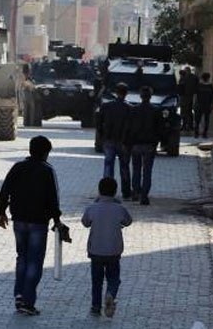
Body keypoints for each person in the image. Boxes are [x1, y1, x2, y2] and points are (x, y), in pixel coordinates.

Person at [0, 135, 62, 316]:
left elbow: (5, 190)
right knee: (34, 260)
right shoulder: (47, 171)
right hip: (39, 223)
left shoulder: (18, 167)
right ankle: (28, 301)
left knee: (22, 257)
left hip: (19, 221)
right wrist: (57, 221)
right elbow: (53, 199)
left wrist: (1, 212)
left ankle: (19, 294)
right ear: (46, 153)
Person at [81, 177, 133, 317]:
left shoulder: (92, 208)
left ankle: (95, 307)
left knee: (96, 280)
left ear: (99, 191)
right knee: (114, 278)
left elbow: (85, 222)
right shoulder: (119, 209)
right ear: (115, 192)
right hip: (113, 251)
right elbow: (128, 221)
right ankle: (110, 294)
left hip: (96, 251)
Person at [97, 82, 133, 198]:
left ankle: (107, 192)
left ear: (116, 92)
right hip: (123, 141)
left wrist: (102, 136)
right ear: (126, 93)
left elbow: (99, 122)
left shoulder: (107, 106)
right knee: (124, 167)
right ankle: (126, 192)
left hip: (109, 139)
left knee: (108, 166)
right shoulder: (129, 108)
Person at [128, 86, 159, 205]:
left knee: (136, 169)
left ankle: (136, 192)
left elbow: (129, 127)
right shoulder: (155, 111)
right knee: (147, 171)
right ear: (150, 97)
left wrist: (129, 142)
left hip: (136, 144)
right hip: (150, 144)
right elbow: (159, 129)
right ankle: (144, 195)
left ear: (140, 96)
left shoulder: (134, 110)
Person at [195, 73, 213, 138]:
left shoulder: (199, 85)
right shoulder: (210, 86)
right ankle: (204, 134)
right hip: (207, 105)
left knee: (198, 120)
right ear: (208, 78)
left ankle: (197, 133)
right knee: (206, 120)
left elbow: (195, 95)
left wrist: (194, 104)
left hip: (199, 105)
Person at [179, 67, 198, 131]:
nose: (186, 72)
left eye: (187, 71)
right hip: (184, 97)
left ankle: (190, 126)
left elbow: (196, 87)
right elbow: (180, 87)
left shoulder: (193, 77)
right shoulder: (183, 78)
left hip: (190, 96)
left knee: (189, 112)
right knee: (183, 112)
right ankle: (184, 125)